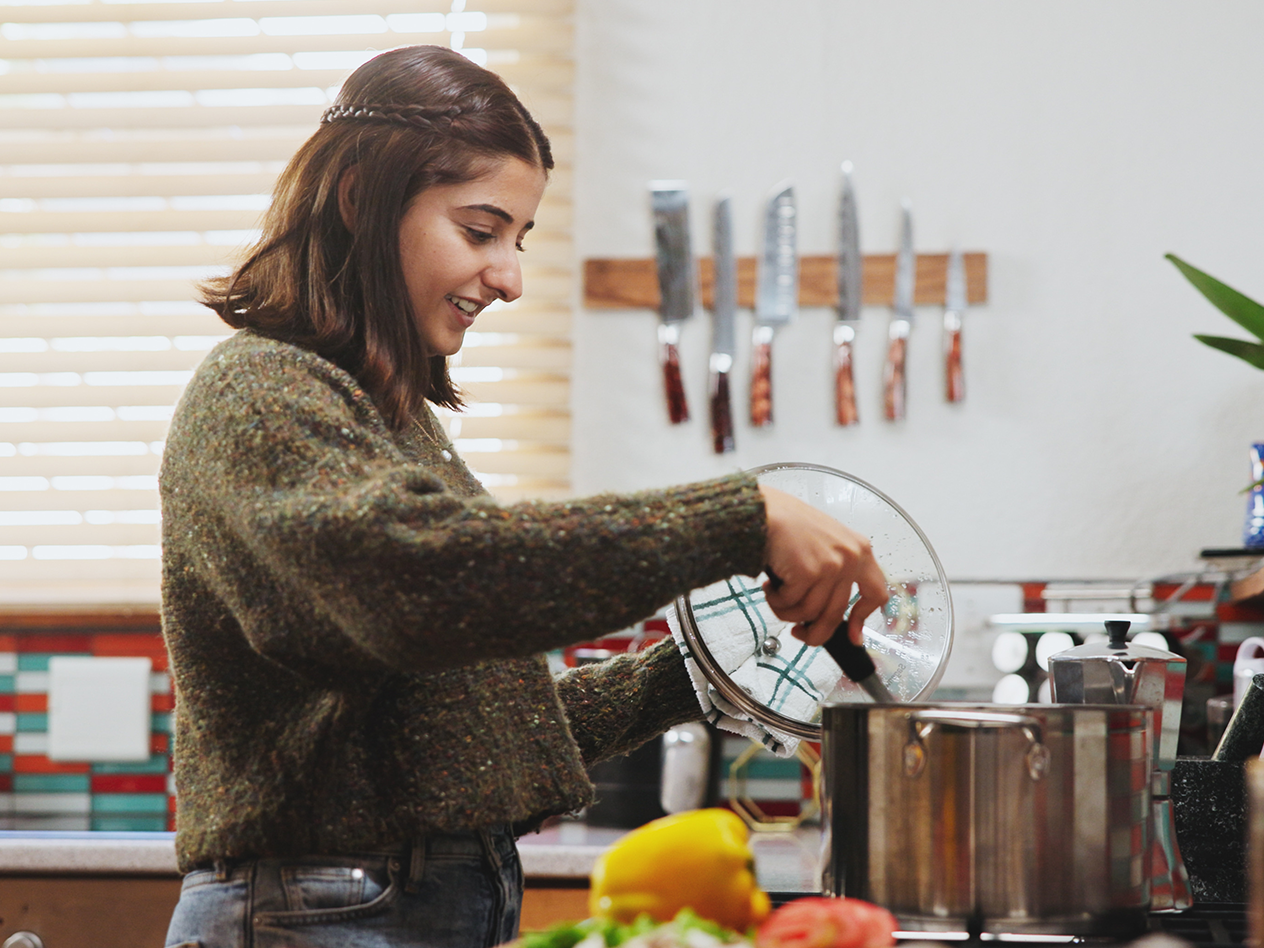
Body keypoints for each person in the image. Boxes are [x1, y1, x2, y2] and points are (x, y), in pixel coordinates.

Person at [159, 44, 889, 948]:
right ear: (359, 199)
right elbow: (417, 583)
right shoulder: (261, 392)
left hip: (378, 905)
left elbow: (473, 732)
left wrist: (705, 664)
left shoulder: (389, 421)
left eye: (518, 240)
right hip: (323, 912)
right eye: (479, 230)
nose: (509, 277)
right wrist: (743, 516)